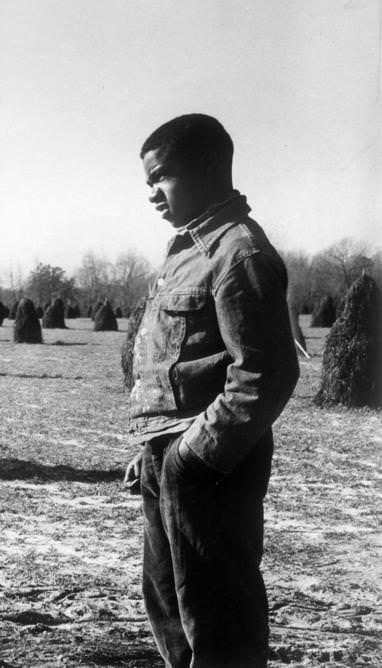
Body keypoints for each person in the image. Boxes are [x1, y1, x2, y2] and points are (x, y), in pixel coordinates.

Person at [123, 114, 299, 667]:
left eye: (162, 176)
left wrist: (191, 457)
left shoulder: (237, 251)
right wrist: (152, 450)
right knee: (171, 605)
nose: (152, 192)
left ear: (205, 165)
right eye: (148, 181)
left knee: (219, 616)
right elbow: (177, 364)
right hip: (168, 453)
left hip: (211, 465)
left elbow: (265, 373)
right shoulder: (188, 251)